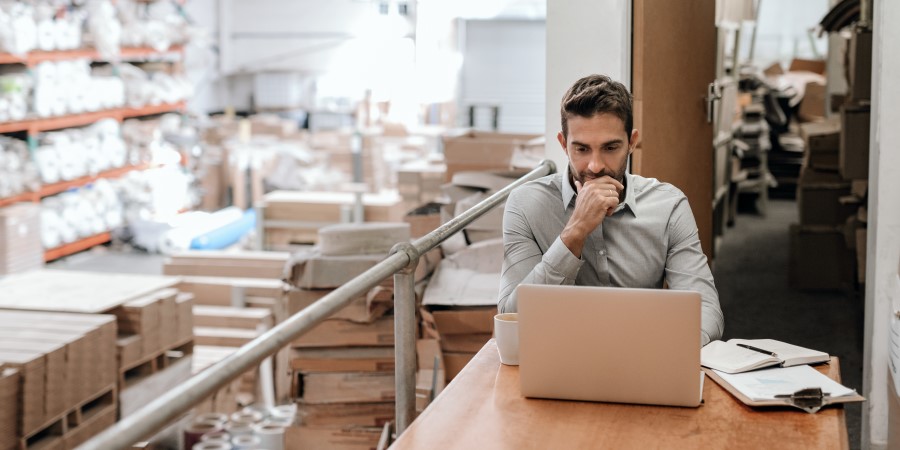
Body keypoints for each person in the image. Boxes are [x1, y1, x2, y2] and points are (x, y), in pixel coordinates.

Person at [497, 74, 724, 346]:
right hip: (559, 357)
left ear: (631, 142)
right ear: (563, 144)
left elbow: (706, 313)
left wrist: (664, 350)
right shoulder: (525, 204)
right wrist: (575, 232)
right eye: (581, 148)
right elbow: (513, 320)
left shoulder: (669, 206)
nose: (595, 165)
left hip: (645, 356)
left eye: (610, 147)